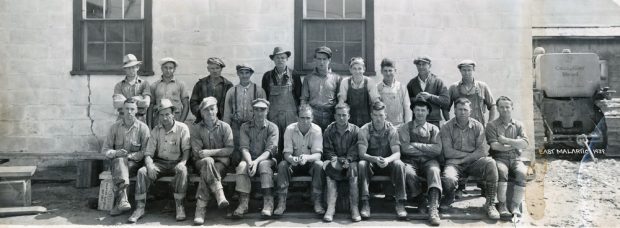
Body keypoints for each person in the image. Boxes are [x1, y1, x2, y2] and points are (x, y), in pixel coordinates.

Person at [128, 99, 190, 223]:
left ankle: (179, 206)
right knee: (142, 171)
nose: (165, 118)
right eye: (161, 115)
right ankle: (140, 207)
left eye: (167, 114)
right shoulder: (156, 130)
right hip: (160, 163)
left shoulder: (182, 128)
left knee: (183, 170)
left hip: (176, 162)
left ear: (173, 114)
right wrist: (150, 165)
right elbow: (149, 153)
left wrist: (182, 163)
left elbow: (187, 150)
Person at [440, 98, 499, 220]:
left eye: (465, 110)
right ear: (454, 111)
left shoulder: (478, 126)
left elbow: (482, 151)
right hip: (454, 165)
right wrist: (469, 155)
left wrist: (462, 159)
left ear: (470, 111)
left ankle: (490, 203)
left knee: (490, 163)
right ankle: (449, 197)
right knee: (449, 178)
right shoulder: (446, 127)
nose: (462, 112)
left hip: (472, 163)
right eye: (460, 109)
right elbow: (447, 151)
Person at [358, 101, 408, 220]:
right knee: (361, 164)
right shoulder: (364, 129)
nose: (378, 118)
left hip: (387, 164)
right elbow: (361, 154)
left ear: (385, 115)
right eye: (375, 115)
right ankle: (365, 203)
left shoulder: (392, 130)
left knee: (399, 164)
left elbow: (397, 153)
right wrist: (374, 159)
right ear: (371, 115)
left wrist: (387, 160)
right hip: (372, 164)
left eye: (381, 115)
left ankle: (400, 203)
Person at [101, 98, 150, 216]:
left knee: (121, 163)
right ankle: (123, 200)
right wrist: (116, 153)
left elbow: (146, 151)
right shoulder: (115, 127)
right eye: (127, 109)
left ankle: (120, 201)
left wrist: (128, 156)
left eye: (132, 109)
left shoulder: (143, 128)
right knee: (119, 161)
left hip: (135, 164)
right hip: (117, 165)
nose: (129, 112)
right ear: (122, 110)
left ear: (136, 110)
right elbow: (105, 150)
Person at [273, 105, 325, 217]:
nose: (305, 121)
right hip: (294, 164)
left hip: (310, 164)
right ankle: (281, 202)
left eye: (308, 118)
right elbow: (286, 153)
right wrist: (292, 159)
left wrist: (306, 158)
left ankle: (317, 201)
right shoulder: (290, 129)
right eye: (302, 118)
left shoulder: (317, 130)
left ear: (312, 118)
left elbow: (318, 155)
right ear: (297, 117)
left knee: (319, 165)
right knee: (282, 165)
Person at [190, 97, 234, 225]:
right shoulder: (196, 129)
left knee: (208, 166)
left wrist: (210, 153)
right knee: (207, 162)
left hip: (221, 165)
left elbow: (230, 149)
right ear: (202, 113)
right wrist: (219, 155)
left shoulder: (225, 127)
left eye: (212, 109)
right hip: (201, 163)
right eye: (206, 110)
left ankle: (200, 209)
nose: (209, 112)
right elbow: (198, 153)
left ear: (217, 110)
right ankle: (219, 193)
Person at [232, 99, 279, 218]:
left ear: (267, 111)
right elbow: (244, 148)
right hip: (250, 158)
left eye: (262, 110)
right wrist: (249, 162)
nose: (259, 113)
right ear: (252, 111)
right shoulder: (245, 127)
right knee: (242, 166)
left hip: (267, 160)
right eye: (256, 109)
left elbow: (270, 150)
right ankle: (243, 204)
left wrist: (256, 162)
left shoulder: (272, 128)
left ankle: (268, 203)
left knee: (263, 165)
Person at [398, 97, 442, 225]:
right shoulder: (405, 127)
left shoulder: (434, 129)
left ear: (428, 112)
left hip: (429, 161)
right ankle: (420, 199)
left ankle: (433, 208)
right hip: (410, 161)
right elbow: (405, 148)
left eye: (423, 110)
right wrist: (428, 149)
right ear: (413, 111)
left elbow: (437, 150)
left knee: (434, 171)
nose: (420, 113)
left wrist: (416, 144)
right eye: (417, 110)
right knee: (408, 172)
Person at [485, 96, 528, 219]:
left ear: (512, 108)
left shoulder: (518, 124)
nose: (505, 110)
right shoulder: (492, 125)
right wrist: (515, 143)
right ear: (497, 109)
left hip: (515, 159)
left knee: (522, 173)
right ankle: (502, 205)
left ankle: (515, 205)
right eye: (502, 107)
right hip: (499, 158)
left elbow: (525, 143)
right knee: (502, 171)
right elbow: (495, 146)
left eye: (507, 107)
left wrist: (505, 140)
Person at [321, 103, 362, 222]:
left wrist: (348, 160)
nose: (341, 118)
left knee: (353, 170)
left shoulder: (355, 130)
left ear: (349, 116)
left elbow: (356, 149)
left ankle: (354, 208)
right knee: (329, 170)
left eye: (344, 115)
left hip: (350, 161)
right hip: (335, 159)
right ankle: (331, 208)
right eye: (338, 115)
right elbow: (327, 149)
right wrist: (336, 159)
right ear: (334, 116)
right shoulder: (329, 130)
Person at [223, 64, 266, 165]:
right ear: (238, 74)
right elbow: (227, 112)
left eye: (247, 73)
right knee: (237, 150)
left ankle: (252, 166)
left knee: (253, 148)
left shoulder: (259, 90)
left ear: (251, 74)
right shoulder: (232, 91)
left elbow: (264, 111)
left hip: (253, 125)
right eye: (241, 73)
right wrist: (226, 129)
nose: (244, 75)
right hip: (237, 125)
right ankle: (237, 170)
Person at [262, 47, 302, 156]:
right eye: (277, 57)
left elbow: (299, 97)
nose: (280, 60)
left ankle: (289, 163)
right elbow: (264, 98)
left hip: (290, 115)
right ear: (273, 59)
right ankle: (275, 163)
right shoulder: (267, 76)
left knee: (290, 139)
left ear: (287, 59)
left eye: (283, 57)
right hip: (273, 114)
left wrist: (298, 115)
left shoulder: (295, 75)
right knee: (274, 140)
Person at [300, 46, 342, 131]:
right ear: (315, 60)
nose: (321, 62)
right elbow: (304, 100)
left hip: (331, 115)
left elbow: (340, 100)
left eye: (324, 59)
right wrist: (305, 116)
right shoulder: (308, 78)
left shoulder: (337, 78)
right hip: (313, 115)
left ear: (329, 60)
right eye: (319, 59)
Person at [448, 60, 496, 126]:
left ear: (473, 70)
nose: (467, 73)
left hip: (479, 125)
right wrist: (448, 124)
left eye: (469, 70)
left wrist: (490, 124)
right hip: (459, 126)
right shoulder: (453, 87)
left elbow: (492, 106)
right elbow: (445, 107)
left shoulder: (482, 86)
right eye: (464, 70)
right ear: (460, 71)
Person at [406, 56, 450, 127]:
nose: (421, 67)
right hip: (417, 121)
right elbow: (406, 102)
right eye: (418, 65)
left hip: (433, 121)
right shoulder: (412, 83)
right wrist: (415, 99)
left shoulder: (438, 81)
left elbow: (446, 101)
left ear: (429, 66)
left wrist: (430, 97)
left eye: (423, 64)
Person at [149, 57, 190, 127]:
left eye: (171, 68)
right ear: (161, 68)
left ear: (174, 69)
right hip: (159, 120)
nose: (168, 70)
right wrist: (149, 125)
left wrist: (181, 123)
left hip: (176, 119)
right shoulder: (154, 85)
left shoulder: (180, 84)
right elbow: (150, 106)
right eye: (165, 67)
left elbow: (186, 105)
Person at [190, 57, 234, 123]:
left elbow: (231, 105)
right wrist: (201, 114)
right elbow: (193, 102)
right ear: (208, 69)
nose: (215, 71)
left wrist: (226, 119)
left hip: (222, 121)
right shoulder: (200, 84)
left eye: (217, 68)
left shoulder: (228, 85)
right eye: (212, 68)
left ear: (221, 69)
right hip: (203, 121)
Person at [374, 58, 411, 128]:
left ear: (395, 71)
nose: (388, 73)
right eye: (385, 71)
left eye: (390, 70)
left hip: (399, 126)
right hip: (383, 127)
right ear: (381, 71)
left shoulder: (401, 87)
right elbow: (375, 109)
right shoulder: (377, 88)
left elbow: (407, 107)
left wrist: (407, 125)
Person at [113, 54, 151, 123]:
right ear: (125, 69)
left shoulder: (144, 84)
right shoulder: (119, 85)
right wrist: (138, 98)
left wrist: (125, 101)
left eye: (133, 67)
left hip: (140, 119)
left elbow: (146, 103)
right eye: (128, 68)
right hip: (123, 119)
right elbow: (116, 103)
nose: (131, 70)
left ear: (137, 67)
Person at [338, 57, 374, 127]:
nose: (357, 72)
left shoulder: (369, 81)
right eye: (354, 69)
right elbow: (341, 100)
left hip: (366, 120)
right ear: (350, 70)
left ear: (364, 69)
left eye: (359, 68)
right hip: (350, 120)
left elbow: (375, 100)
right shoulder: (345, 82)